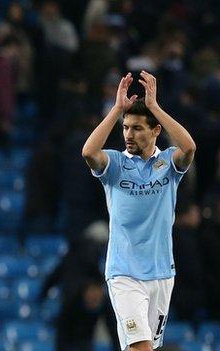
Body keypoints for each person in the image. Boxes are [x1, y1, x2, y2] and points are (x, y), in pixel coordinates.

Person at [81, 71, 196, 351]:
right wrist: (117, 110)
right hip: (125, 273)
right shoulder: (116, 164)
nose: (128, 134)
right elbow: (88, 152)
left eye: (137, 128)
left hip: (161, 273)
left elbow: (189, 147)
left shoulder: (169, 163)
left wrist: (156, 108)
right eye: (126, 127)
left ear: (155, 130)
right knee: (142, 347)